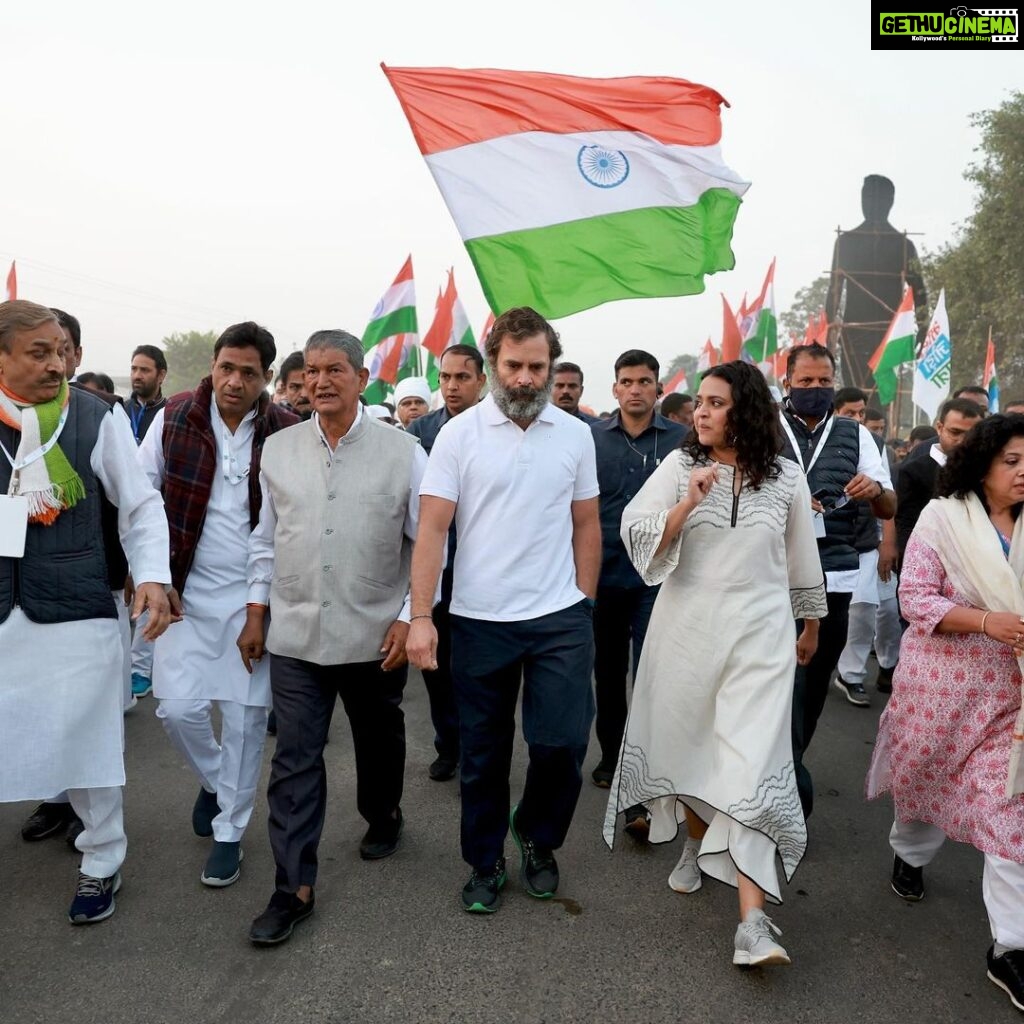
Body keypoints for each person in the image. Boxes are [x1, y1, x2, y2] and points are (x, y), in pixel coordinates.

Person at [604, 360, 826, 967]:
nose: (699, 411)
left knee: (750, 768)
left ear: (746, 411)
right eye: (698, 401)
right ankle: (698, 843)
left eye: (715, 402)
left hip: (760, 639)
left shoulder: (785, 478)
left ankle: (753, 923)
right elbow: (636, 532)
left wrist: (808, 624)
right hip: (686, 633)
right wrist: (686, 506)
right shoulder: (680, 468)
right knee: (693, 749)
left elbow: (801, 557)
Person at [407, 306, 601, 915]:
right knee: (484, 754)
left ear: (551, 367)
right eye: (513, 365)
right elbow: (433, 530)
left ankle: (539, 839)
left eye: (536, 366)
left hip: (560, 619)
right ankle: (484, 860)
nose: (524, 378)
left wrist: (585, 602)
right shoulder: (457, 436)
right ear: (493, 363)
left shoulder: (574, 434)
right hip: (478, 619)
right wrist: (419, 617)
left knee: (562, 745)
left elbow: (587, 522)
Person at [242, 329, 428, 946]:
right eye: (310, 371)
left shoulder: (402, 453)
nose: (320, 381)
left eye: (335, 370)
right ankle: (292, 887)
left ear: (361, 377)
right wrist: (255, 611)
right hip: (295, 632)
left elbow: (428, 545)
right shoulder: (278, 449)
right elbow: (265, 539)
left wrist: (410, 614)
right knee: (295, 758)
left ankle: (383, 813)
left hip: (375, 633)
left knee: (378, 739)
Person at [0, 299, 172, 923]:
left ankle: (101, 860)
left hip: (76, 610)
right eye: (38, 353)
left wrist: (151, 576)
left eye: (61, 351)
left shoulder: (93, 416)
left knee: (89, 741)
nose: (56, 364)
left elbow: (141, 506)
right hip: (2, 616)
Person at [866, 414, 1024, 1012]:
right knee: (925, 783)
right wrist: (988, 620)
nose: (1022, 471)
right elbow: (916, 599)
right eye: (1010, 461)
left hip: (1012, 693)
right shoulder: (942, 517)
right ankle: (909, 855)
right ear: (981, 463)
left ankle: (1010, 948)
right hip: (942, 688)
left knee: (1011, 812)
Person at [139, 322, 297, 888]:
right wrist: (154, 577)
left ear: (267, 378)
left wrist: (266, 605)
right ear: (213, 364)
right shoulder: (174, 418)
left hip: (257, 597)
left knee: (248, 717)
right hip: (184, 593)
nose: (233, 381)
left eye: (248, 373)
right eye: (226, 367)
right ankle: (215, 783)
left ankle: (230, 830)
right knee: (176, 709)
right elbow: (140, 501)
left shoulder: (285, 429)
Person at [778, 343, 894, 817]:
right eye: (805, 381)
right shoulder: (763, 426)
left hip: (835, 577)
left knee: (811, 680)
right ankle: (781, 775)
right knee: (771, 679)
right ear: (787, 382)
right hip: (768, 575)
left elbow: (887, 505)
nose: (815, 389)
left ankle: (790, 761)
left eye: (823, 381)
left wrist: (875, 491)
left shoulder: (855, 434)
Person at [588, 349, 686, 839]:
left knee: (650, 676)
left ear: (658, 388)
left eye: (645, 381)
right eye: (626, 381)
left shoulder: (683, 441)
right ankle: (611, 754)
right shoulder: (591, 438)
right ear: (614, 388)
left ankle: (645, 777)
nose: (635, 389)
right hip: (603, 577)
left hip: (660, 578)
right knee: (607, 674)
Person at [405, 344, 487, 782]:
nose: (452, 386)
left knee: (475, 670)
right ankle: (448, 746)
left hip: (479, 566)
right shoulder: (420, 430)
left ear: (481, 381)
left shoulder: (492, 429)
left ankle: (477, 751)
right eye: (446, 378)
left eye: (462, 377)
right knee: (437, 668)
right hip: (435, 567)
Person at [826, 174, 927, 398]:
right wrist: (829, 329)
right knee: (855, 390)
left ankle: (879, 430)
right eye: (867, 197)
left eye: (877, 198)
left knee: (882, 391)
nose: (871, 204)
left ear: (890, 202)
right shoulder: (846, 242)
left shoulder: (904, 246)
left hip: (890, 332)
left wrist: (924, 327)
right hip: (854, 329)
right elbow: (834, 290)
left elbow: (919, 291)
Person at [833, 388, 900, 704]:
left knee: (878, 610)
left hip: (869, 542)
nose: (858, 419)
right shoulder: (823, 445)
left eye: (862, 413)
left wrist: (888, 542)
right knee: (853, 611)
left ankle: (871, 670)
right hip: (836, 543)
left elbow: (888, 497)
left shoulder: (876, 444)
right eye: (850, 413)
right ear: (835, 413)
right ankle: (844, 673)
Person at [126, 343, 169, 700]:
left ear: (161, 375)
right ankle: (129, 666)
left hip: (158, 516)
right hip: (123, 514)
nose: (137, 376)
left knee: (150, 585)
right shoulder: (117, 411)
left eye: (145, 370)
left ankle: (142, 669)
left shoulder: (170, 414)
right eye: (134, 369)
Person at [894, 398, 984, 560]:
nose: (962, 440)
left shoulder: (988, 471)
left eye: (971, 434)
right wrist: (910, 563)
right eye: (955, 432)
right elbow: (906, 524)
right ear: (939, 428)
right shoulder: (913, 471)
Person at [277, 350, 311, 417]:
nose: (304, 394)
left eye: (309, 385)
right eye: (295, 387)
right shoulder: (273, 424)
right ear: (284, 390)